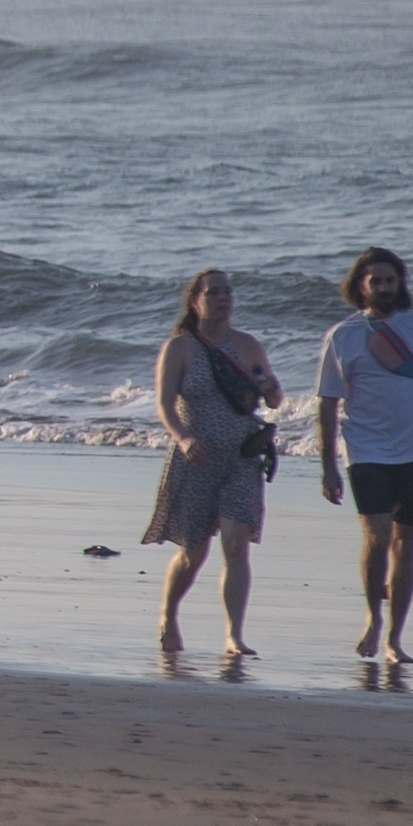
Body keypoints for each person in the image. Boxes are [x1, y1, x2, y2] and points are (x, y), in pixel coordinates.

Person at [146, 267, 281, 659]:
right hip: (196, 458)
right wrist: (183, 438)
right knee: (194, 551)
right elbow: (165, 403)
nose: (223, 298)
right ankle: (168, 615)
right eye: (214, 292)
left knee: (236, 544)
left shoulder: (248, 345)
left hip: (242, 457)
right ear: (196, 301)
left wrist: (272, 390)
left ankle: (233, 636)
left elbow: (270, 396)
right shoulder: (180, 348)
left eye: (228, 291)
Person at [313, 245, 413, 665]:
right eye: (374, 280)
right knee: (377, 539)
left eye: (389, 280)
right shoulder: (343, 336)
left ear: (400, 284)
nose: (382, 287)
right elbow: (327, 405)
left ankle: (395, 638)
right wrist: (328, 468)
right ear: (360, 286)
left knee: (407, 542)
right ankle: (373, 618)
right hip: (366, 450)